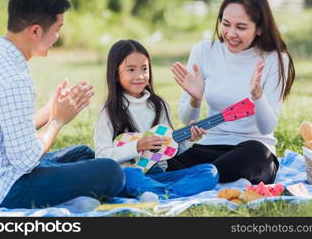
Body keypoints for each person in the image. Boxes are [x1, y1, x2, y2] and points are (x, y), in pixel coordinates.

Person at [0, 0, 125, 210]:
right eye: (58, 28)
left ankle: (71, 198)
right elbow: (25, 160)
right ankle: (73, 203)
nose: (58, 36)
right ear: (35, 30)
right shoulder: (14, 78)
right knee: (110, 172)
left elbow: (8, 132)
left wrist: (49, 110)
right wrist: (57, 121)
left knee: (82, 153)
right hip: (0, 191)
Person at [167, 0, 296, 184]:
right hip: (210, 146)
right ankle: (204, 176)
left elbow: (266, 127)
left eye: (241, 27)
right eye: (226, 24)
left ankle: (197, 177)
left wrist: (258, 96)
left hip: (251, 150)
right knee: (165, 164)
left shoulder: (276, 59)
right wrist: (196, 98)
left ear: (259, 28)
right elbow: (187, 119)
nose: (231, 34)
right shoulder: (203, 51)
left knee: (257, 156)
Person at [93, 39, 218, 199]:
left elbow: (169, 148)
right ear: (116, 74)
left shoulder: (159, 105)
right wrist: (137, 146)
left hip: (160, 174)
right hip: (129, 175)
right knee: (131, 176)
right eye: (131, 69)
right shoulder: (109, 111)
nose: (139, 76)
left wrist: (189, 138)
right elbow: (101, 157)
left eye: (144, 69)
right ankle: (165, 191)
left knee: (209, 172)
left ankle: (161, 193)